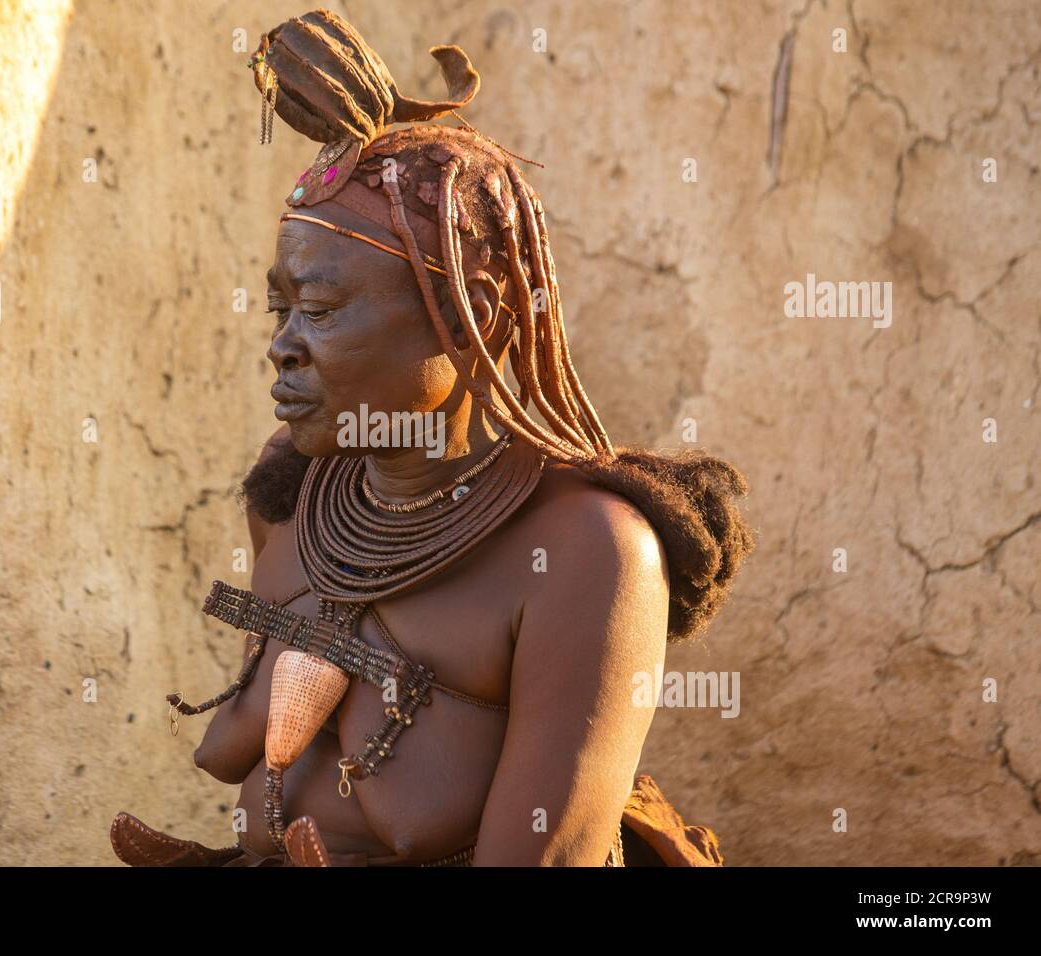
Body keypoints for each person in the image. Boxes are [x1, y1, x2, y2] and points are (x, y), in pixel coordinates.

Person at [112, 8, 754, 867]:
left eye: (322, 310)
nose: (281, 342)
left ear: (466, 317)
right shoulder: (292, 498)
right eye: (280, 308)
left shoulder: (586, 553)